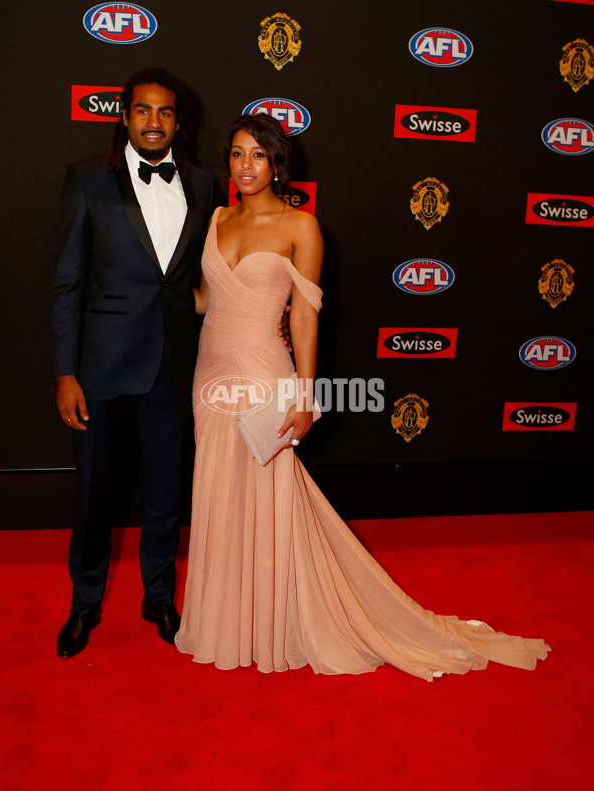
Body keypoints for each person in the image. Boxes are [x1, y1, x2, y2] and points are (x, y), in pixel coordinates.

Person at [174, 114, 550, 678]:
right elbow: (204, 300)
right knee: (217, 487)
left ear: (278, 163)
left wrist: (306, 395)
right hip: (211, 373)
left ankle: (274, 620)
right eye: (236, 154)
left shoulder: (302, 225)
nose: (245, 165)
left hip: (262, 371)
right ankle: (230, 618)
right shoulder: (217, 219)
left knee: (267, 492)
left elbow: (304, 316)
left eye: (258, 154)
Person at [51, 68, 214, 658]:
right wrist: (65, 373)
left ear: (178, 120)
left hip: (173, 363)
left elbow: (206, 278)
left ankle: (159, 595)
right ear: (125, 116)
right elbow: (67, 283)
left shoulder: (204, 185)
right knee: (95, 493)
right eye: (143, 111)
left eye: (165, 112)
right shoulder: (88, 180)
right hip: (101, 369)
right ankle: (85, 602)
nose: (154, 121)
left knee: (166, 490)